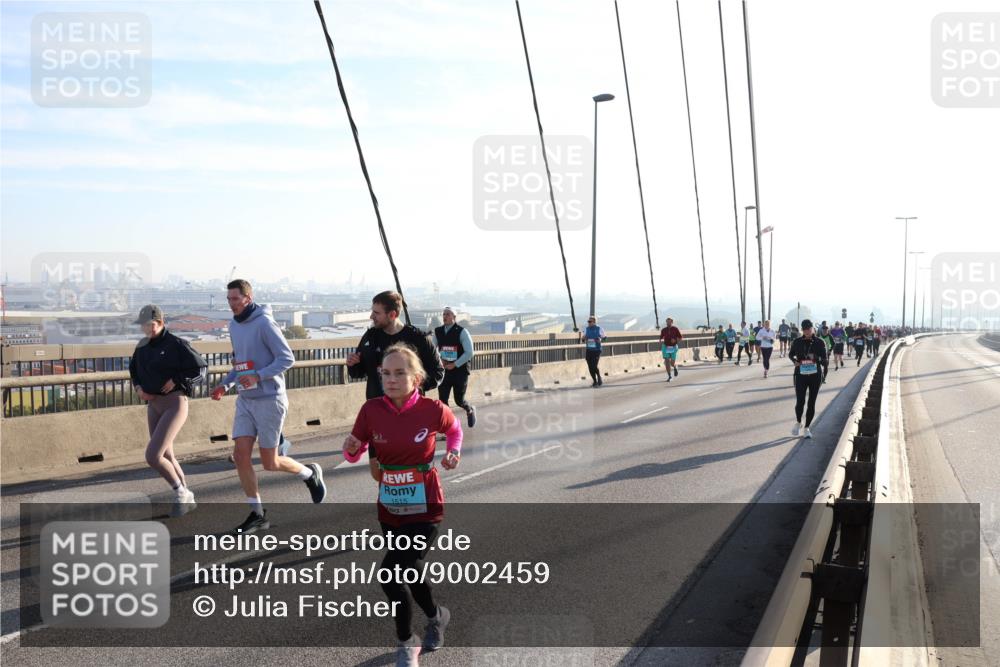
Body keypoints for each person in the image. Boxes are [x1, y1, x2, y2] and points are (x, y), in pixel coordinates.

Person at [343, 344, 461, 666]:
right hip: (391, 506)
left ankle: (407, 642)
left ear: (417, 379)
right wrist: (351, 448)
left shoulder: (432, 408)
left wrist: (453, 452)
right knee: (409, 569)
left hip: (426, 506)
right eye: (385, 373)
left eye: (399, 373)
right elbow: (354, 452)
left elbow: (454, 430)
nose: (391, 379)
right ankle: (437, 616)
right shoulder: (371, 410)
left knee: (390, 574)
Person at [210, 279, 326, 534]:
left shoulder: (264, 323)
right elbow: (240, 364)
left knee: (270, 463)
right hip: (245, 400)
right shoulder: (233, 325)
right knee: (240, 456)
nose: (231, 304)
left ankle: (309, 473)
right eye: (228, 299)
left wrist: (259, 376)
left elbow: (287, 358)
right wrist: (225, 385)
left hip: (269, 399)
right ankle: (258, 514)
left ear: (248, 299)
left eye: (235, 299)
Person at [129, 304, 207, 516]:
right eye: (143, 325)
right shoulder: (142, 346)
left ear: (161, 323)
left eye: (150, 325)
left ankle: (181, 492)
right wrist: (138, 388)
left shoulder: (177, 344)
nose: (146, 329)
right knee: (166, 454)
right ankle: (186, 496)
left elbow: (201, 369)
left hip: (174, 403)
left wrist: (177, 380)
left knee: (153, 456)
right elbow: (133, 370)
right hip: (153, 405)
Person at [347, 291, 444, 400]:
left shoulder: (418, 338)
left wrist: (414, 385)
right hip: (377, 406)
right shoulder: (370, 337)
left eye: (376, 313)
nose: (371, 316)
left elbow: (438, 372)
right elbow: (358, 373)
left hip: (409, 407)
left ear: (392, 315)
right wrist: (353, 364)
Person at [433, 307, 476, 427]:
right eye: (443, 314)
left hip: (460, 371)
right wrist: (439, 359)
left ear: (454, 317)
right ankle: (450, 425)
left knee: (459, 400)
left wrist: (455, 364)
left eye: (448, 314)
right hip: (444, 370)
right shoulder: (438, 331)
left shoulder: (462, 332)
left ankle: (469, 410)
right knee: (443, 400)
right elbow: (432, 349)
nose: (445, 316)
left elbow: (469, 352)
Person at [788, 319, 827, 439]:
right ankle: (798, 422)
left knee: (811, 402)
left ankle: (807, 428)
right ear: (802, 330)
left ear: (813, 329)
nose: (807, 332)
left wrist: (816, 358)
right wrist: (795, 361)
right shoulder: (797, 342)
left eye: (809, 329)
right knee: (800, 401)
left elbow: (825, 360)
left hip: (815, 376)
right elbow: (791, 354)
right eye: (805, 330)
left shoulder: (820, 342)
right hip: (800, 375)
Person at [581, 315, 607, 387]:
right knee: (590, 367)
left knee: (594, 366)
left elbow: (605, 338)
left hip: (597, 350)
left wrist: (600, 339)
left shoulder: (599, 329)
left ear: (594, 322)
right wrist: (583, 338)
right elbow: (583, 340)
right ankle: (595, 381)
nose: (588, 323)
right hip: (589, 350)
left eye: (590, 321)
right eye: (588, 321)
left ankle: (599, 377)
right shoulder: (586, 329)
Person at [659, 317, 683, 382]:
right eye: (667, 322)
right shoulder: (664, 330)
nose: (668, 323)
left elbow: (680, 338)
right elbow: (661, 337)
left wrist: (675, 340)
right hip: (666, 346)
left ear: (672, 322)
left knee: (672, 363)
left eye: (669, 322)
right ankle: (670, 376)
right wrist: (660, 343)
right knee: (667, 360)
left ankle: (675, 367)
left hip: (673, 347)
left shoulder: (675, 329)